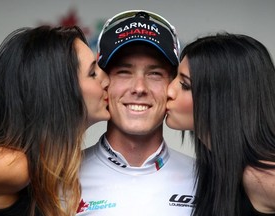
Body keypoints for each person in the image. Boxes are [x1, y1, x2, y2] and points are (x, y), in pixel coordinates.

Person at [76, 10, 196, 216]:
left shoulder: (208, 180)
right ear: (103, 82)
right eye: (124, 72)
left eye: (155, 74)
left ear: (173, 85)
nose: (139, 88)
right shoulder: (57, 179)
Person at [0, 25, 110, 216]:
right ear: (59, 92)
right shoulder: (15, 166)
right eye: (92, 73)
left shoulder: (49, 170)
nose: (107, 81)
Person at [166, 33, 275, 216]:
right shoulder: (219, 164)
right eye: (174, 77)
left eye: (185, 85)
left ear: (223, 98)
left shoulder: (262, 177)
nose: (169, 90)